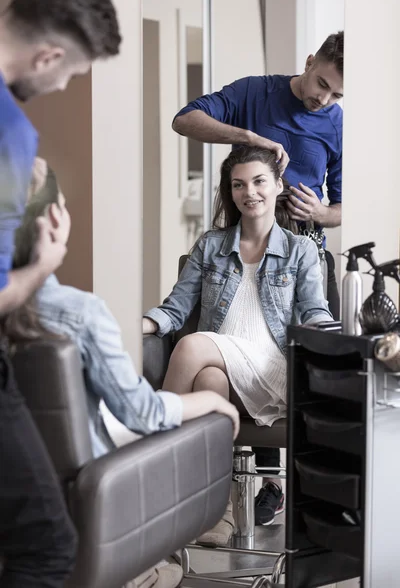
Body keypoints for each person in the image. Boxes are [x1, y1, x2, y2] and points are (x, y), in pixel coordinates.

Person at [4, 163, 240, 588]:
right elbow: (142, 413)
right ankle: (142, 570)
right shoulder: (81, 312)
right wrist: (212, 402)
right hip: (94, 497)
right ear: (56, 218)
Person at [143, 145, 332, 546]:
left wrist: (332, 343)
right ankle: (219, 514)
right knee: (209, 380)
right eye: (239, 184)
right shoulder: (210, 245)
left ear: (278, 185)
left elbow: (315, 311)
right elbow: (175, 308)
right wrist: (141, 324)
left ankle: (150, 471)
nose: (250, 192)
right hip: (224, 366)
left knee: (193, 348)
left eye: (260, 181)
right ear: (230, 192)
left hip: (271, 368)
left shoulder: (301, 250)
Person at [0, 0, 121, 585]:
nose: (65, 88)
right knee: (47, 545)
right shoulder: (8, 132)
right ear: (48, 56)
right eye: (73, 73)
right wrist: (46, 262)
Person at [172, 31, 343, 233]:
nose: (323, 99)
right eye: (322, 84)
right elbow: (184, 121)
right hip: (243, 244)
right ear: (309, 63)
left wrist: (320, 213)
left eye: (336, 95)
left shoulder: (338, 125)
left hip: (305, 248)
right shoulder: (253, 92)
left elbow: (343, 208)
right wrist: (248, 137)